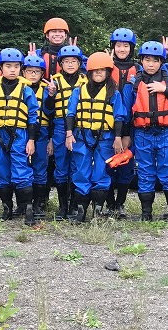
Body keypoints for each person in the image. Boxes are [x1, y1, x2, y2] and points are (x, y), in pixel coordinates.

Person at [123, 40, 168, 225]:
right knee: (145, 172)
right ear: (141, 61)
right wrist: (126, 135)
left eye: (155, 60)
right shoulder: (133, 83)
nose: (151, 64)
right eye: (147, 60)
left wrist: (164, 90)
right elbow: (126, 111)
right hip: (143, 134)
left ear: (161, 62)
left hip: (165, 133)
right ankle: (146, 213)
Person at [0, 48, 40, 226]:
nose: (12, 70)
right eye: (8, 66)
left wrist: (31, 139)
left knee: (22, 171)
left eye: (16, 66)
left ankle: (28, 208)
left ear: (21, 68)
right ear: (0, 68)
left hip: (20, 134)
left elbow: (33, 118)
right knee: (0, 171)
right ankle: (7, 208)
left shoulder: (26, 90)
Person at [65, 52, 127, 222]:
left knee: (101, 173)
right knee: (81, 172)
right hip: (81, 136)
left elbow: (119, 116)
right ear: (89, 72)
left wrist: (118, 138)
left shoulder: (113, 92)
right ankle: (81, 211)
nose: (98, 73)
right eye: (95, 70)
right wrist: (69, 134)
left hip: (105, 138)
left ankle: (97, 211)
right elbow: (70, 114)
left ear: (108, 72)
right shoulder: (79, 91)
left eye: (102, 70)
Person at [43, 44, 87, 220]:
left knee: (77, 166)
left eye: (74, 61)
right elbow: (47, 111)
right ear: (61, 63)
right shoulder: (55, 81)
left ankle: (75, 205)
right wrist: (51, 95)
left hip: (80, 126)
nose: (70, 64)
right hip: (60, 126)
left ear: (79, 63)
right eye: (66, 61)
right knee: (61, 167)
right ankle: (63, 206)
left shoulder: (86, 81)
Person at [104, 28, 140, 218]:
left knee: (126, 165)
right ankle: (109, 204)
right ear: (113, 47)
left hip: (131, 126)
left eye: (126, 46)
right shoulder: (106, 68)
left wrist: (127, 133)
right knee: (109, 164)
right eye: (118, 45)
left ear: (131, 48)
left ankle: (120, 205)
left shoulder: (139, 70)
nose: (122, 49)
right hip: (108, 124)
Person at [21, 54, 54, 219]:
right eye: (30, 71)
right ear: (24, 72)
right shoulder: (18, 87)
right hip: (20, 132)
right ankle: (23, 203)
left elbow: (50, 113)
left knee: (40, 167)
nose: (33, 74)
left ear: (42, 74)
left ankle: (38, 203)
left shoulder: (47, 89)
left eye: (37, 72)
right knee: (21, 166)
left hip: (41, 132)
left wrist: (52, 96)